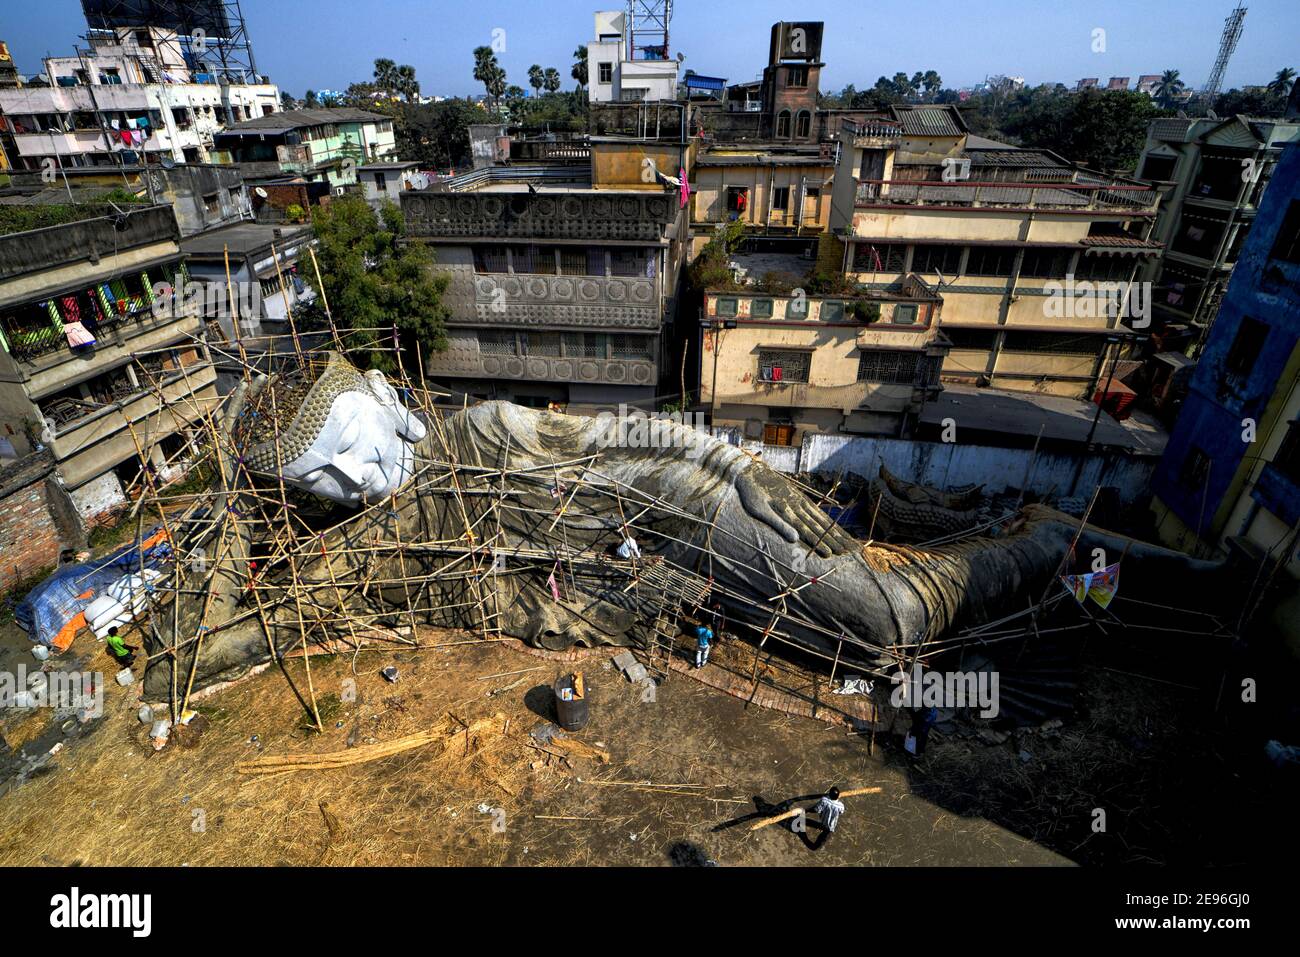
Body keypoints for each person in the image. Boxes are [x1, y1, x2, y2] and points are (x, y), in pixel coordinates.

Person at [807, 786, 845, 851]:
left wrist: (807, 810)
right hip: (830, 827)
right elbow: (841, 812)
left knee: (814, 847)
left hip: (824, 823)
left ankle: (802, 833)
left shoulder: (824, 800)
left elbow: (816, 810)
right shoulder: (841, 806)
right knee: (818, 844)